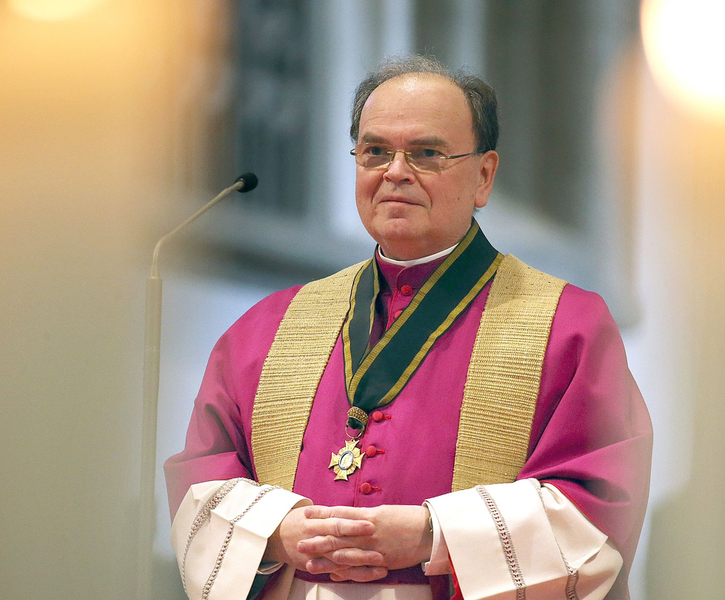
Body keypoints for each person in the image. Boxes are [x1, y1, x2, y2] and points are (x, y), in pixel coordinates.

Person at [165, 55, 652, 600]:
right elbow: (201, 485)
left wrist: (432, 536)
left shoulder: (568, 327)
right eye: (375, 151)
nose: (395, 172)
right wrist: (275, 532)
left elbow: (598, 505)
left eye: (426, 153)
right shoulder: (264, 329)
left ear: (484, 175)